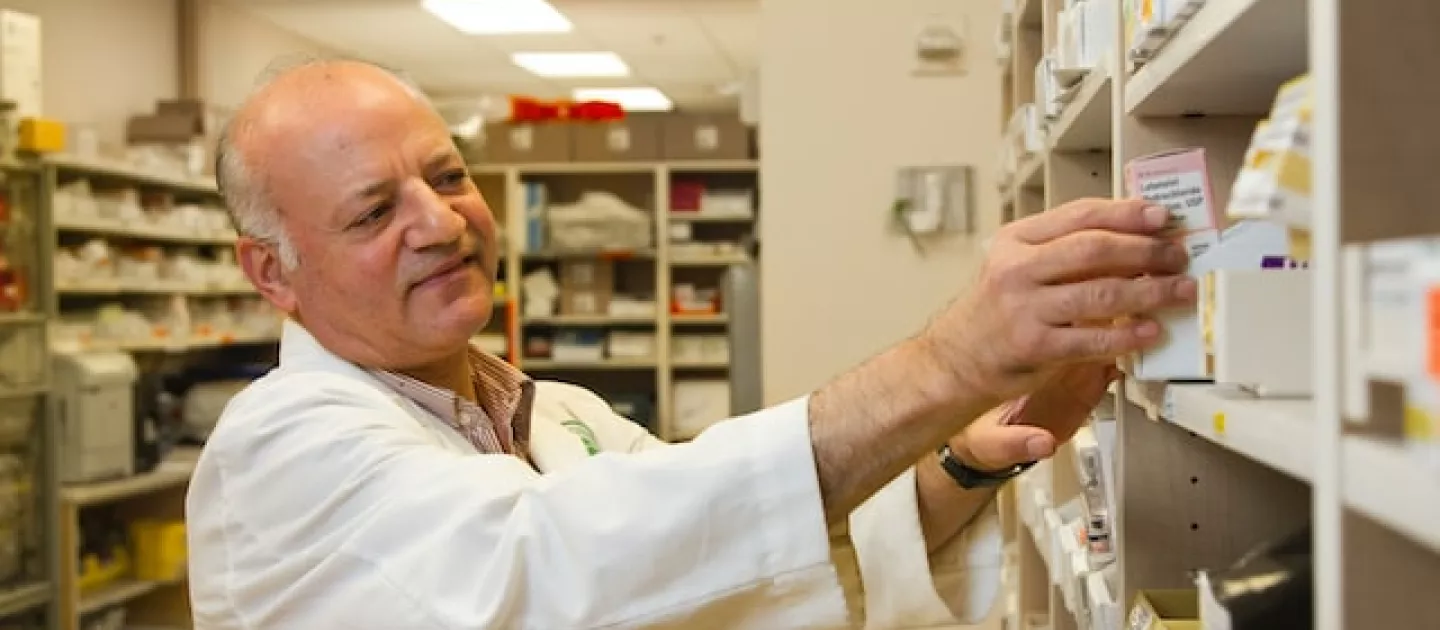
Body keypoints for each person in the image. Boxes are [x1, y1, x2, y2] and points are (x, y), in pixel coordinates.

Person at [184, 56, 1194, 630]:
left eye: (446, 178)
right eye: (372, 213)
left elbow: (729, 569)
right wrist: (945, 364)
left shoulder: (556, 417)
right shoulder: (282, 454)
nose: (442, 223)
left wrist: (967, 459)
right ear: (273, 272)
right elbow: (557, 569)